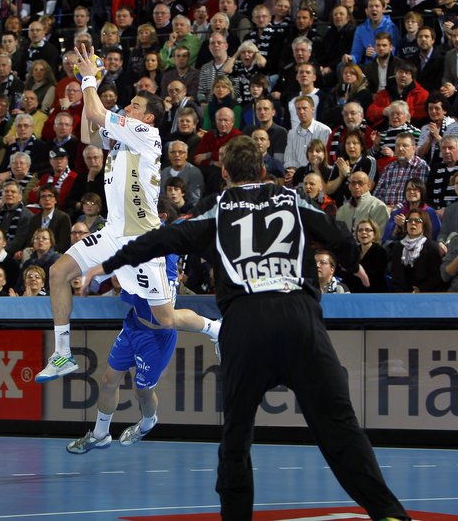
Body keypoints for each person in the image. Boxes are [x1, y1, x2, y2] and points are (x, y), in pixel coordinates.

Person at [83, 135, 409, 521]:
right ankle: (389, 513)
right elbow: (338, 235)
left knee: (236, 439)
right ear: (262, 169)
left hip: (245, 323)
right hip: (299, 320)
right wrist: (352, 260)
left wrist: (107, 264)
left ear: (224, 173)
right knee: (340, 428)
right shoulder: (292, 199)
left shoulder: (217, 207)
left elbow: (162, 239)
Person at [37, 44, 220, 383]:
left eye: (134, 105)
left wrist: (90, 79)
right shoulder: (122, 138)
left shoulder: (146, 134)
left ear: (148, 117)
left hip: (143, 239)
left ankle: (215, 328)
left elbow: (96, 115)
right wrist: (89, 84)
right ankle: (62, 354)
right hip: (113, 232)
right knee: (58, 272)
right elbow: (88, 132)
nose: (127, 107)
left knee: (165, 318)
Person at [67, 200, 182, 453]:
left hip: (157, 336)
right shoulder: (136, 239)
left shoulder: (167, 251)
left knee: (142, 392)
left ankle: (148, 422)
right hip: (133, 325)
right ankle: (100, 434)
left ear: (160, 217)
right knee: (109, 379)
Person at [389, 209, 446, 292]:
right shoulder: (398, 247)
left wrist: (420, 290)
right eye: (409, 220)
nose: (413, 223)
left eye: (417, 220)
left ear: (424, 225)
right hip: (401, 295)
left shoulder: (432, 247)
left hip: (425, 294)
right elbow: (396, 276)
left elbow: (436, 277)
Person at [338, 219, 388, 293]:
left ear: (374, 234)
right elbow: (344, 273)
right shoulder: (353, 251)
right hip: (352, 291)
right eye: (360, 230)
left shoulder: (380, 252)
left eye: (367, 230)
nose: (363, 232)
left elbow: (374, 277)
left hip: (374, 292)